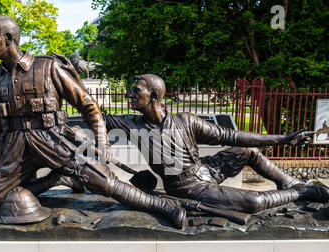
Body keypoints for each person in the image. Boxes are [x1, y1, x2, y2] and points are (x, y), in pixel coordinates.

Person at [0, 16, 185, 228]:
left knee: (105, 182)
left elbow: (87, 104)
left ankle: (163, 207)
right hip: (17, 146)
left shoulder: (47, 67)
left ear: (7, 38)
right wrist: (0, 161)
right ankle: (55, 179)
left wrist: (102, 141)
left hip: (52, 139)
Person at [103, 74, 329, 213]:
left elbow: (233, 136)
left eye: (136, 90)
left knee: (247, 150)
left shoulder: (186, 121)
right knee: (254, 202)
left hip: (205, 169)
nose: (129, 95)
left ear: (153, 95)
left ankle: (286, 181)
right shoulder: (129, 124)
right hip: (189, 189)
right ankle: (302, 192)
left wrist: (282, 139)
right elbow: (92, 113)